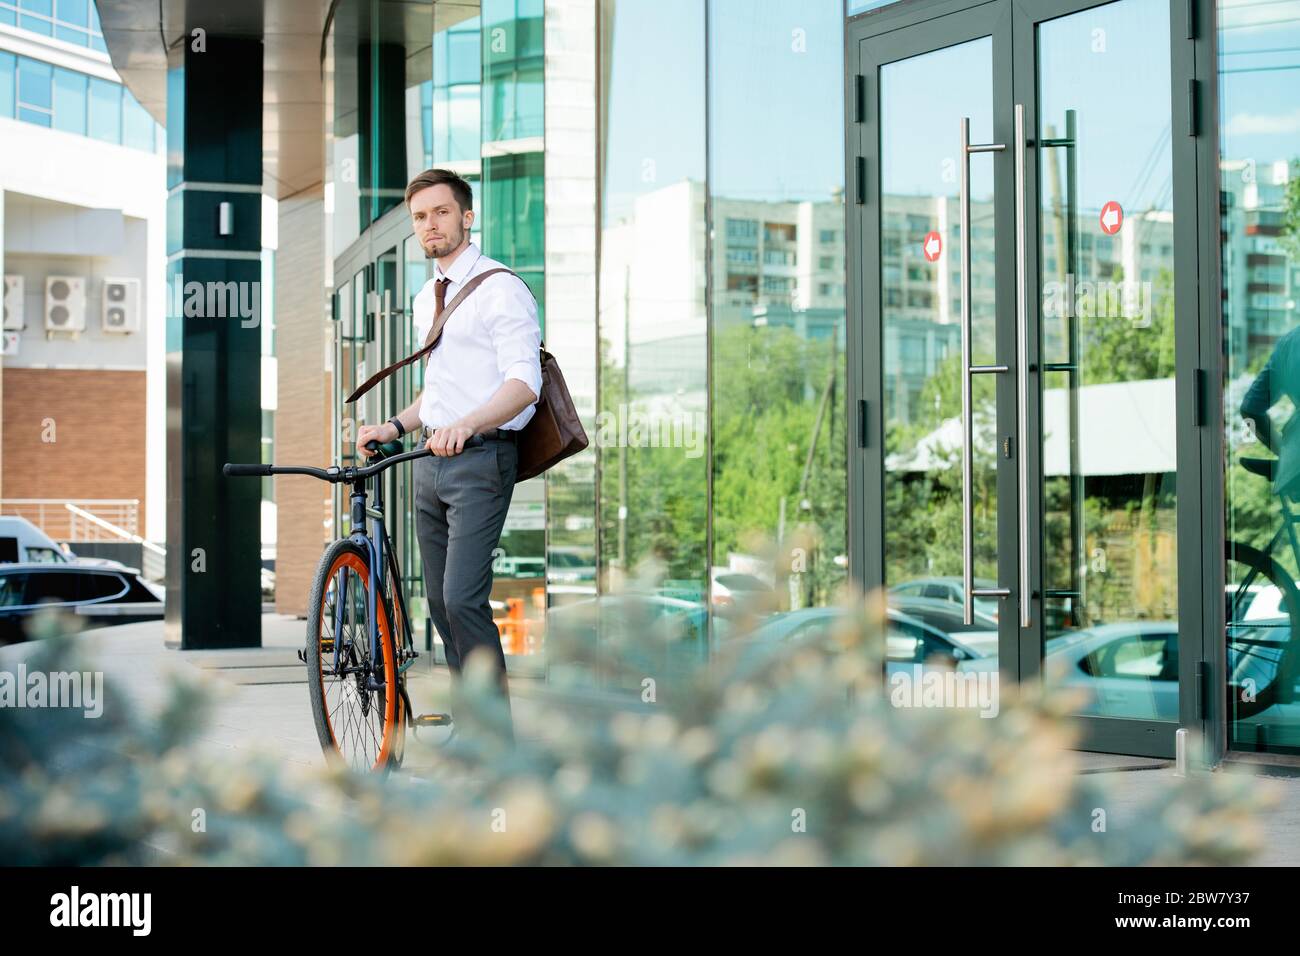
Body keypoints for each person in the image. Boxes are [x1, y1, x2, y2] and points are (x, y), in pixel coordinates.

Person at [356, 168, 541, 744]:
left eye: (440, 212)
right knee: (438, 603)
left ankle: (496, 744)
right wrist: (393, 424)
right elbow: (438, 396)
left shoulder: (499, 287)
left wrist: (466, 425)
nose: (429, 224)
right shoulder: (425, 297)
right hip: (428, 462)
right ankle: (473, 728)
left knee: (464, 598)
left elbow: (524, 384)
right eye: (419, 216)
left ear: (467, 216)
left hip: (481, 459)